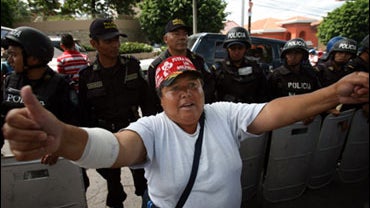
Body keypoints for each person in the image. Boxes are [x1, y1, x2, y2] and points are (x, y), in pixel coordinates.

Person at [2, 55, 368, 208]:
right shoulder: (152, 128)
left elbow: (273, 111)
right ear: (160, 97)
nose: (186, 94)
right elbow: (115, 148)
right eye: (174, 88)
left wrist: (334, 93)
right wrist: (64, 139)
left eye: (192, 84)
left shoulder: (222, 115)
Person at [78, 18, 157, 208]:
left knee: (145, 182)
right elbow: (84, 112)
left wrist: (153, 131)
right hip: (104, 135)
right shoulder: (87, 76)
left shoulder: (131, 66)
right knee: (113, 186)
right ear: (94, 44)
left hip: (133, 131)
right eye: (108, 41)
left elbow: (147, 102)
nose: (115, 45)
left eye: (116, 39)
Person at [0, 26, 89, 188]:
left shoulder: (60, 85)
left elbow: (77, 123)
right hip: (20, 166)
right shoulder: (9, 81)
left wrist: (58, 148)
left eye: (13, 54)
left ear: (33, 58)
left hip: (58, 166)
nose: (9, 60)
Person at [147, 18, 216, 112]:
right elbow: (151, 100)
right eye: (176, 34)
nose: (182, 37)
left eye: (185, 34)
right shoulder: (157, 66)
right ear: (165, 39)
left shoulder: (198, 61)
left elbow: (209, 88)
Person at [267, 38, 321, 124]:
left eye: (297, 53)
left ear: (303, 56)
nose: (293, 56)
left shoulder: (310, 75)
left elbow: (317, 97)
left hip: (306, 120)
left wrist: (313, 112)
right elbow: (267, 101)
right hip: (282, 120)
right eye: (289, 53)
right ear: (285, 55)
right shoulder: (276, 75)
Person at [212, 26, 269, 103]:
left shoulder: (256, 69)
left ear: (246, 49)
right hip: (226, 112)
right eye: (233, 48)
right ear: (228, 49)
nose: (236, 52)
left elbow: (264, 95)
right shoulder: (218, 70)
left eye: (240, 48)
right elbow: (210, 96)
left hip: (249, 112)